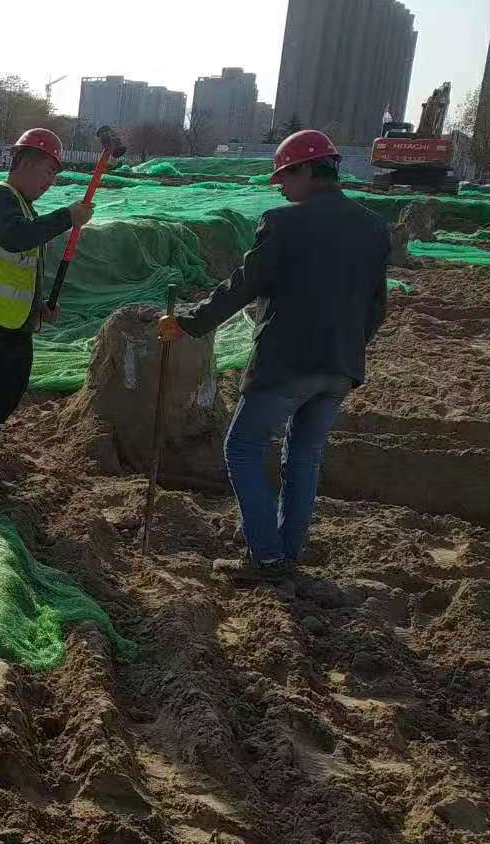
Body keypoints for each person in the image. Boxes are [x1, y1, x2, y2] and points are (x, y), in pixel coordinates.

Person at [158, 129, 389, 578]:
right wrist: (347, 348)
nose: (281, 186)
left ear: (307, 171)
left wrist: (189, 323)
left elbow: (243, 286)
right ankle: (287, 553)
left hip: (287, 364)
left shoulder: (283, 223)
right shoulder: (374, 228)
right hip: (340, 367)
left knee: (242, 449)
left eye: (285, 176)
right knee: (304, 456)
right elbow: (377, 307)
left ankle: (264, 556)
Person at [0, 128, 94, 506]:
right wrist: (67, 217)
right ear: (26, 163)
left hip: (11, 326)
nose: (51, 182)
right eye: (48, 172)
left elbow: (18, 267)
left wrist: (39, 307)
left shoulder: (23, 208)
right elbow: (16, 239)